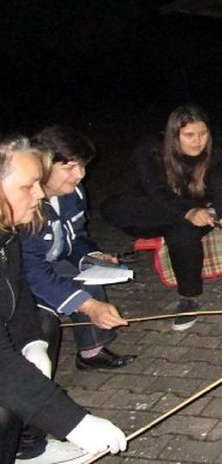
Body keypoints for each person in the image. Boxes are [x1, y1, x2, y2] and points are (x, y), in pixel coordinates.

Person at [0, 135, 126, 464]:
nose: (39, 194)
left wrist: (31, 341)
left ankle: (30, 449)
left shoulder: (7, 234)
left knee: (44, 326)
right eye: (28, 186)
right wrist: (74, 423)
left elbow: (18, 294)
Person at [101, 105, 222, 331]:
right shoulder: (151, 151)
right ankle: (188, 216)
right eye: (189, 135)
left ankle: (188, 299)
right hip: (157, 210)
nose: (198, 141)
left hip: (196, 217)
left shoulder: (213, 156)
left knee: (183, 232)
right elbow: (156, 192)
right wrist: (188, 212)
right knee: (114, 207)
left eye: (203, 134)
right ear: (174, 135)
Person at [20, 127, 135, 375]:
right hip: (19, 278)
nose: (80, 174)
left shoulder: (73, 194)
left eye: (82, 166)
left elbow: (76, 237)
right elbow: (31, 270)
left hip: (49, 262)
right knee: (47, 320)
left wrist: (92, 257)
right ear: (43, 165)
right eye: (70, 167)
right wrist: (88, 306)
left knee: (88, 275)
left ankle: (91, 352)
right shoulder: (24, 205)